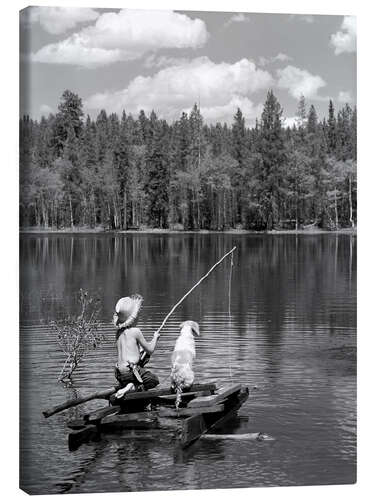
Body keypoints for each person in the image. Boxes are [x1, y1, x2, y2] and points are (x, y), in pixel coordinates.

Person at [113, 294, 160, 400]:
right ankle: (133, 386)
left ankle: (128, 385)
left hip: (119, 374)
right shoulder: (135, 331)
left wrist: (140, 352)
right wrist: (155, 338)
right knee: (154, 380)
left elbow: (127, 352)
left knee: (142, 362)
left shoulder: (118, 333)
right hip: (131, 372)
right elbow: (150, 349)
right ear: (133, 318)